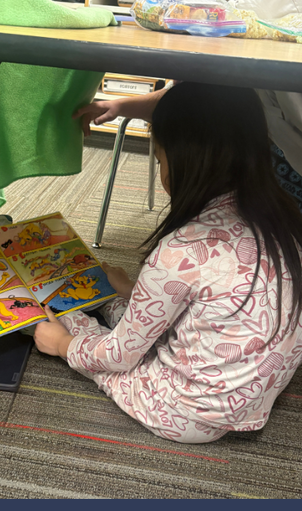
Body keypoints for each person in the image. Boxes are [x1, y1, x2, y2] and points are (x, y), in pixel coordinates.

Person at [33, 83, 302, 443]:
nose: (161, 170)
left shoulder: (180, 250)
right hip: (250, 400)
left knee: (73, 326)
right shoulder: (284, 220)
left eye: (159, 159)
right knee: (120, 307)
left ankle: (50, 322)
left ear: (184, 160)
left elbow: (119, 357)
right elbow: (217, 296)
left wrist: (62, 345)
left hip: (189, 413)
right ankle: (113, 303)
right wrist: (134, 290)